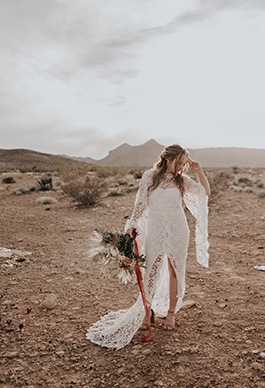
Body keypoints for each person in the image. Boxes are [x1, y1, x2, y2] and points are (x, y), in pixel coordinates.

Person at [86, 144, 210, 349]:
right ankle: (147, 310)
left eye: (183, 164)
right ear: (169, 159)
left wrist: (199, 171)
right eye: (179, 163)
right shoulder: (149, 177)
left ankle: (171, 313)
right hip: (155, 228)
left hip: (178, 228)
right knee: (150, 268)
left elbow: (205, 193)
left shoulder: (182, 180)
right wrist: (132, 225)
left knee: (175, 269)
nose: (181, 167)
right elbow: (140, 204)